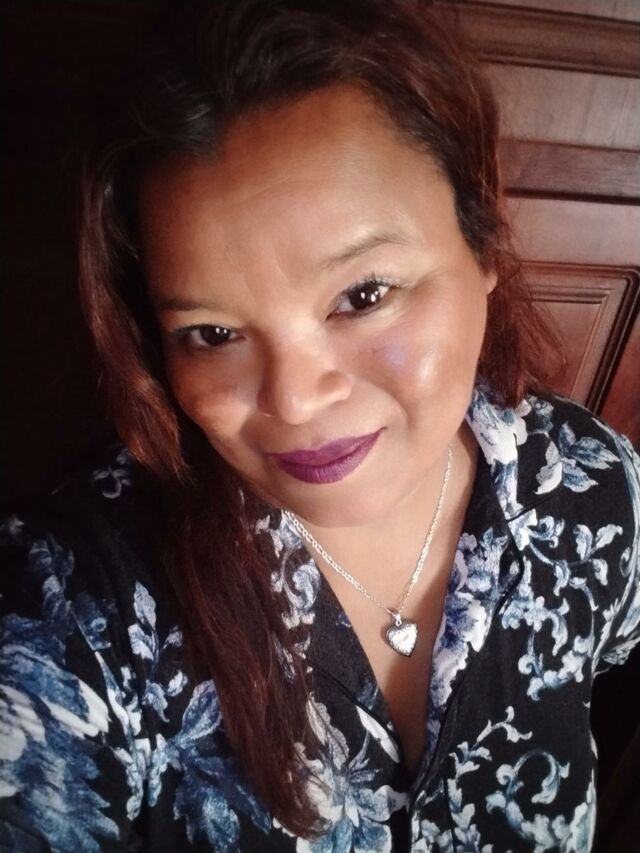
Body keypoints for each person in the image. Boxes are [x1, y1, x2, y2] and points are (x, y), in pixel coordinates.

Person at [1, 0, 639, 850]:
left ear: (484, 242)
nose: (295, 401)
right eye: (213, 333)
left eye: (363, 294)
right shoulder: (74, 611)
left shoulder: (590, 487)